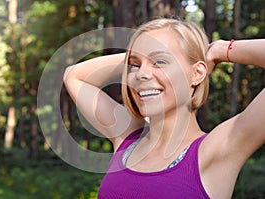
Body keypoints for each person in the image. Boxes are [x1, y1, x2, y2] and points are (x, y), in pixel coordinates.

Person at [64, 18, 265, 199]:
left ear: (197, 73)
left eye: (160, 62)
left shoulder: (217, 149)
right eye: (135, 65)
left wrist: (220, 50)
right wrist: (138, 55)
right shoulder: (126, 137)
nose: (141, 75)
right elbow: (73, 75)